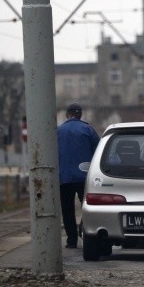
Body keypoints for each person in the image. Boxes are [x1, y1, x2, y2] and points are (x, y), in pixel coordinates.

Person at [57, 103, 99, 248]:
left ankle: (71, 240)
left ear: (67, 115)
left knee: (67, 210)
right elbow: (98, 152)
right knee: (87, 208)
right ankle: (86, 234)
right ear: (80, 115)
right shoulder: (88, 129)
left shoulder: (58, 131)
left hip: (64, 178)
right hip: (85, 178)